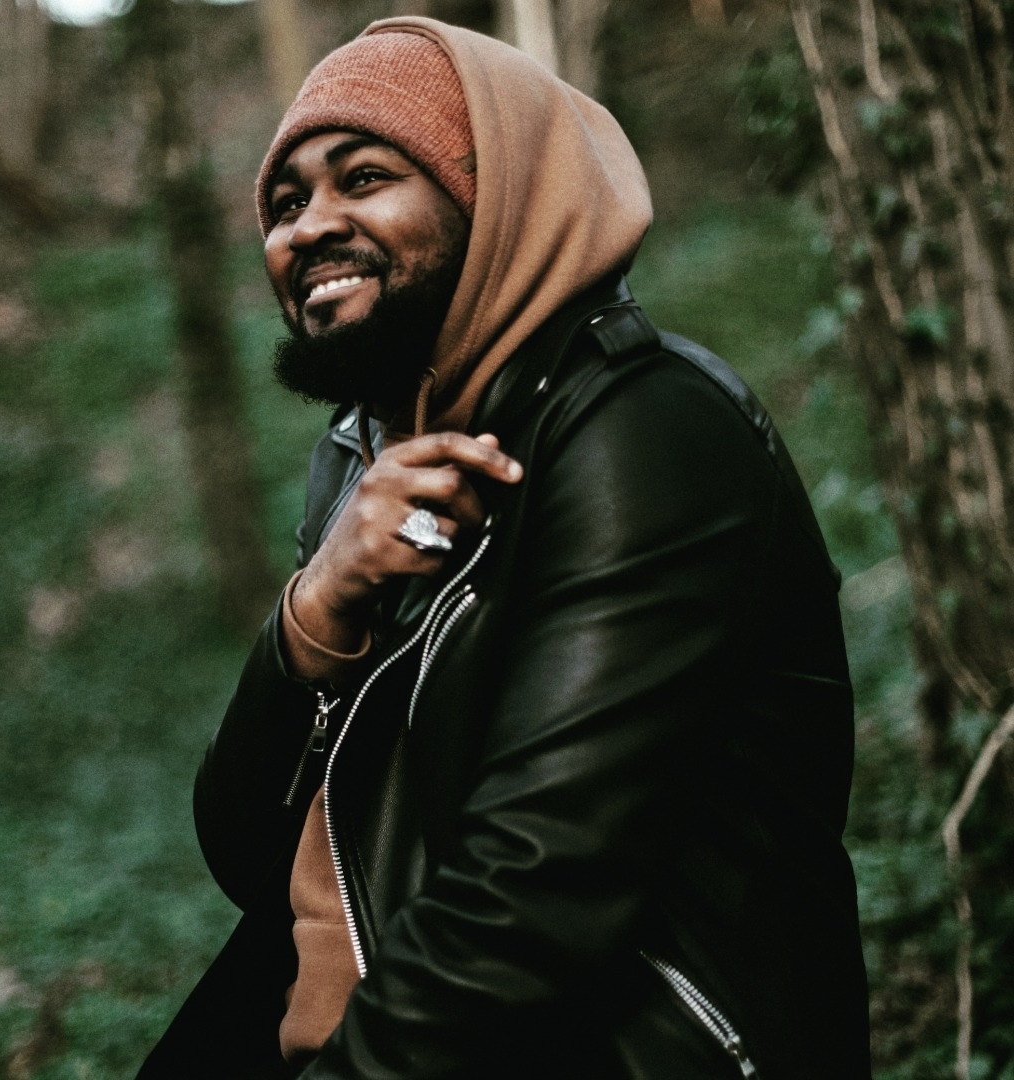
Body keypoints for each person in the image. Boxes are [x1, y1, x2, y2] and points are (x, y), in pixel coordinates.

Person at [138, 15, 871, 1080]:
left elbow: (533, 895)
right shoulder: (364, 461)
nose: (309, 227)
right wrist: (315, 612)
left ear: (494, 199)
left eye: (365, 177)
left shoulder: (642, 434)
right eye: (287, 203)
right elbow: (248, 854)